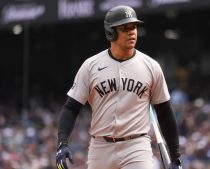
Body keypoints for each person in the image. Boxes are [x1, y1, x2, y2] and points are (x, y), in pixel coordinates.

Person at [56, 5, 182, 169]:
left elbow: (165, 113)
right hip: (100, 147)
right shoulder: (91, 66)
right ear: (111, 32)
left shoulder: (151, 66)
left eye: (134, 26)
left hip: (136, 146)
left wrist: (175, 158)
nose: (132, 32)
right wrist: (62, 143)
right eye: (125, 28)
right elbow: (71, 107)